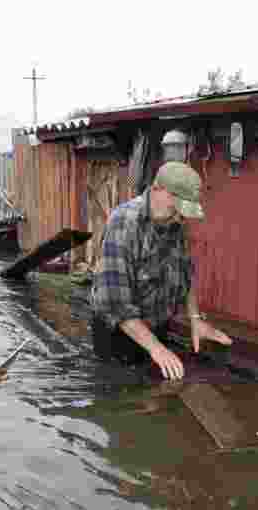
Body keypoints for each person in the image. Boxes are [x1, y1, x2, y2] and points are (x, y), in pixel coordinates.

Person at [90, 156, 232, 380]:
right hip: (119, 333)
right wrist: (156, 349)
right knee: (120, 398)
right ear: (157, 189)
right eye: (175, 208)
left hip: (156, 328)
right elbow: (116, 304)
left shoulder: (174, 223)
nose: (179, 217)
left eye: (183, 213)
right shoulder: (124, 223)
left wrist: (195, 319)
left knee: (159, 391)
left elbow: (186, 272)